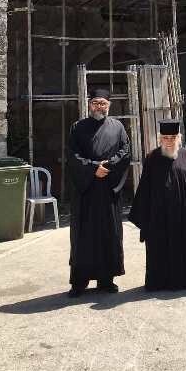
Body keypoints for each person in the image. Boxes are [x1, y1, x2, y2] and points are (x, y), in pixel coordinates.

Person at [67, 88, 131, 297]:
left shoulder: (118, 127)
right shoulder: (78, 127)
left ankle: (106, 280)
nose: (99, 106)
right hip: (86, 192)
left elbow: (125, 151)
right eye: (95, 103)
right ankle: (79, 282)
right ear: (89, 104)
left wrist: (108, 167)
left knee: (108, 235)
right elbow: (72, 155)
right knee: (82, 237)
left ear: (109, 105)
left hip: (108, 191)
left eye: (103, 103)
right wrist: (94, 168)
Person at [129, 120, 186, 291]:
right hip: (158, 216)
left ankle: (185, 280)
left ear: (179, 138)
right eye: (166, 137)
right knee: (158, 248)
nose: (169, 141)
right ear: (160, 139)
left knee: (182, 249)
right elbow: (144, 189)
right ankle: (159, 282)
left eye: (173, 137)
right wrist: (144, 217)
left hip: (182, 216)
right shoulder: (152, 158)